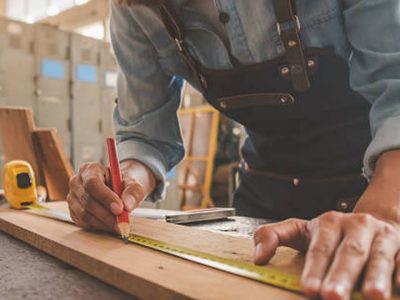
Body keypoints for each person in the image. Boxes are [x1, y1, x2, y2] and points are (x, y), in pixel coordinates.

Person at [67, 0, 400, 299]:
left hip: (382, 186)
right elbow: (145, 133)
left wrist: (383, 216)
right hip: (266, 191)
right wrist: (125, 181)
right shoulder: (131, 7)